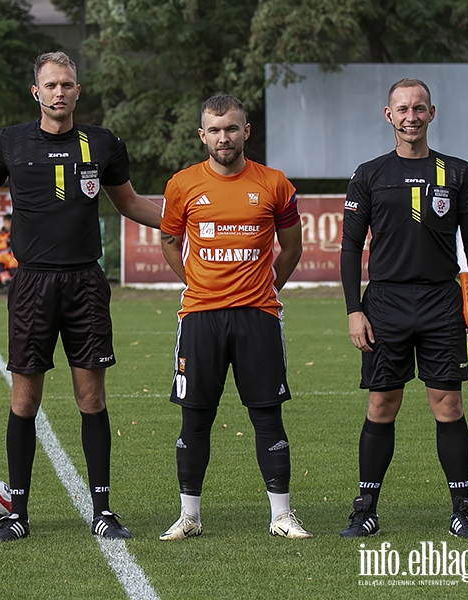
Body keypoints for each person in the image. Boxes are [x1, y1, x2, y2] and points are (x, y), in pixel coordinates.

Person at [0, 51, 161, 542]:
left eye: (67, 84)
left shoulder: (104, 144)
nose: (59, 92)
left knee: (91, 397)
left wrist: (184, 221)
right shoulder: (8, 142)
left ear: (77, 90)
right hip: (31, 284)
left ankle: (103, 511)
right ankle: (18, 514)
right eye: (51, 85)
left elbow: (129, 203)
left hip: (85, 283)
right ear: (36, 92)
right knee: (25, 400)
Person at [340, 78, 468, 538]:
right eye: (402, 108)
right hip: (384, 303)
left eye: (419, 108)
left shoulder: (459, 173)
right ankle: (365, 508)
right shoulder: (368, 174)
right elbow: (349, 248)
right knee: (382, 403)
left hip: (442, 303)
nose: (411, 116)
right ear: (389, 116)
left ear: (431, 113)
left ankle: (462, 509)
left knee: (448, 406)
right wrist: (353, 310)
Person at [158, 95, 311, 540]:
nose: (223, 137)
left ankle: (281, 515)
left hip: (257, 316)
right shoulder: (182, 185)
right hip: (200, 318)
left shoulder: (274, 183)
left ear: (246, 131)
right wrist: (196, 282)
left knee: (267, 416)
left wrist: (267, 287)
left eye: (231, 128)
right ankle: (189, 517)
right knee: (195, 417)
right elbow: (170, 240)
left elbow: (292, 247)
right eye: (214, 129)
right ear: (201, 135)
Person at [0, 214, 17, 290]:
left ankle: (15, 285)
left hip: (13, 256)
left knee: (14, 268)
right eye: (6, 222)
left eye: (10, 222)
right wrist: (5, 244)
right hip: (2, 256)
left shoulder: (17, 233)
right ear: (4, 223)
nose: (8, 225)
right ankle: (7, 283)